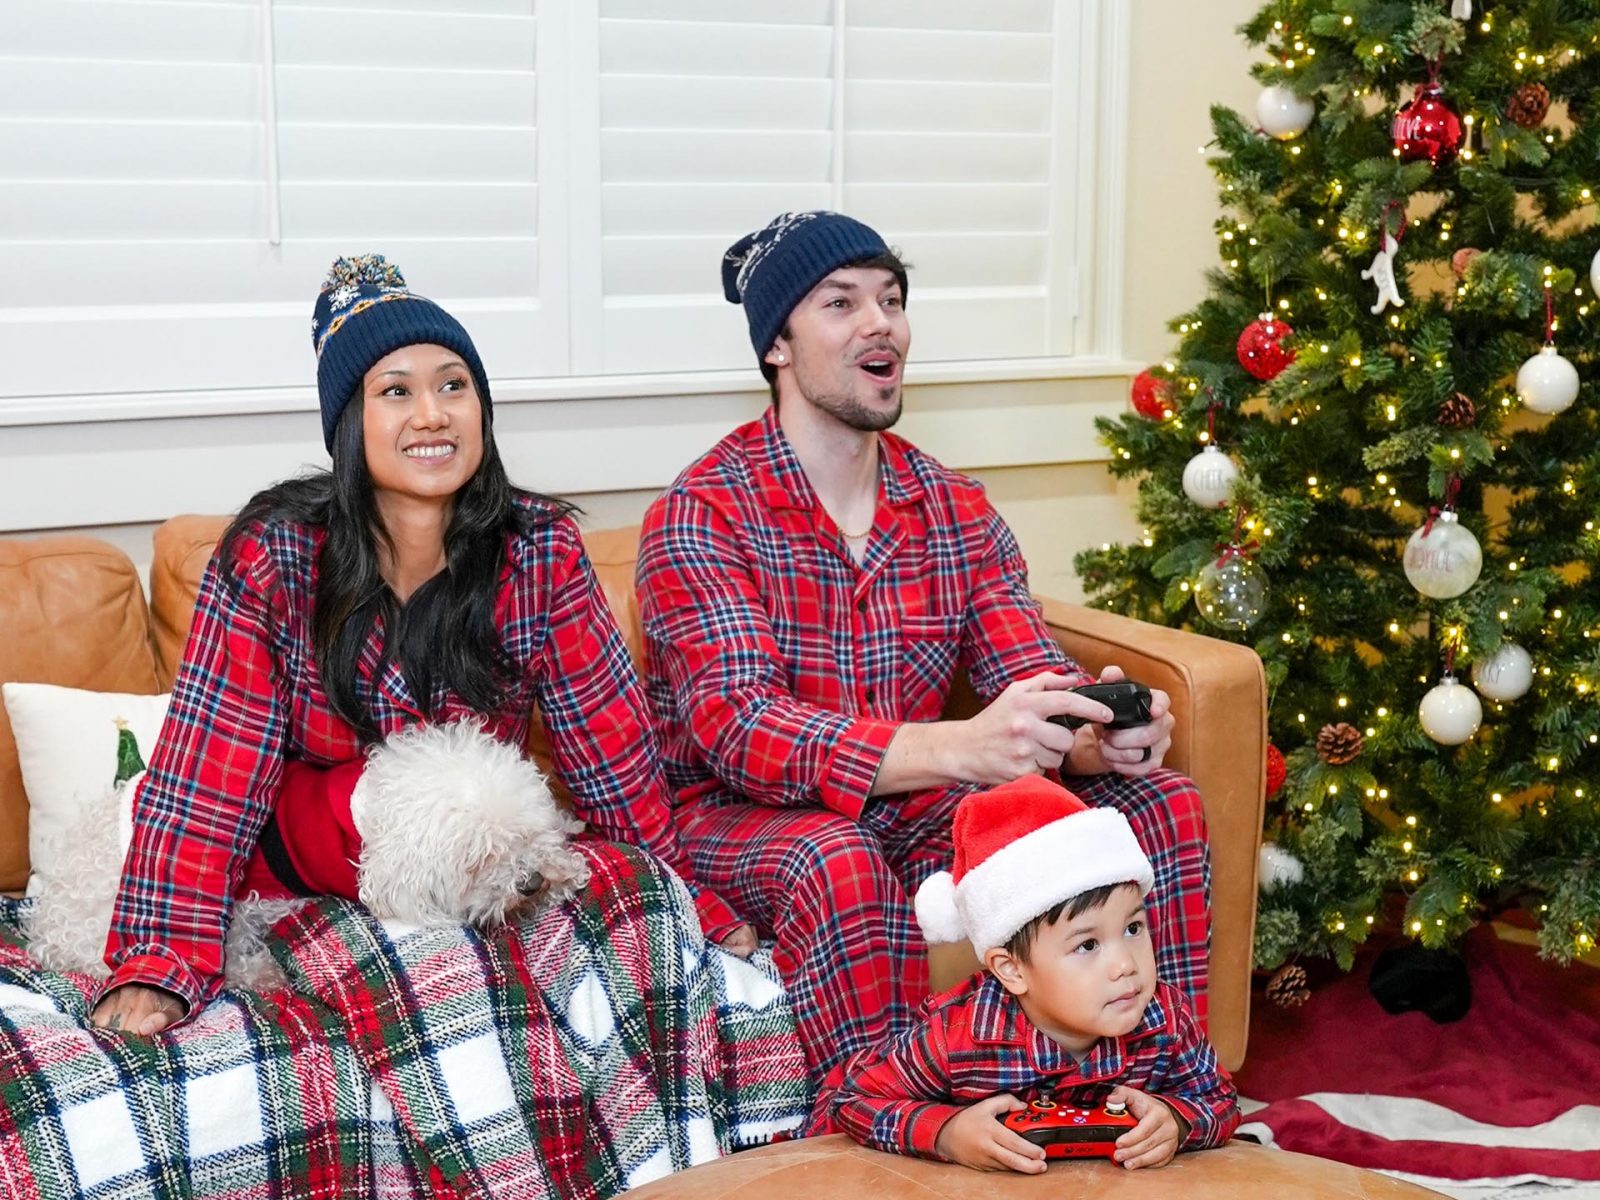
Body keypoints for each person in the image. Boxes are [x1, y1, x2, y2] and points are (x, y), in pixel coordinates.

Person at [92, 254, 754, 1036]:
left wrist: (686, 907)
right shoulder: (273, 558)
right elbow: (209, 776)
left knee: (633, 913)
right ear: (350, 422)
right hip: (303, 881)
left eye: (453, 385)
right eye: (396, 392)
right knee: (437, 972)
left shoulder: (540, 552)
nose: (433, 414)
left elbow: (616, 764)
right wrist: (161, 960)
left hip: (476, 882)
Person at [634, 211, 1212, 1078]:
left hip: (917, 811)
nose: (882, 323)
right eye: (841, 303)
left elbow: (1028, 674)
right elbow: (741, 729)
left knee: (1156, 806)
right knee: (837, 856)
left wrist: (1095, 736)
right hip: (741, 818)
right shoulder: (702, 513)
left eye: (892, 300)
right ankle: (884, 1123)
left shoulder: (953, 508)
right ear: (778, 347)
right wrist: (964, 748)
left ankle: (1164, 1094)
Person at [808, 776, 1240, 1172]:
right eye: (1087, 945)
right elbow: (851, 1100)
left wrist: (1179, 1123)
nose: (1126, 964)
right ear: (1011, 970)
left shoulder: (1166, 1018)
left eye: (1133, 928)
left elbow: (1220, 1100)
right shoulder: (956, 1037)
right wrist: (946, 1132)